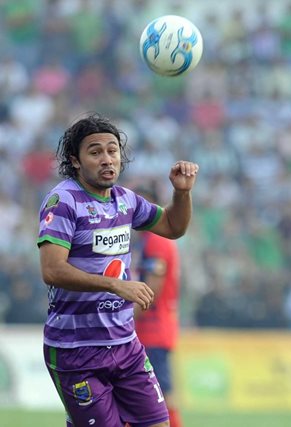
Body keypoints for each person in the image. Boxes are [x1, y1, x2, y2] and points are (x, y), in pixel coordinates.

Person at [37, 113, 199, 427]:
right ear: (75, 161)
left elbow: (173, 226)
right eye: (95, 152)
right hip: (75, 349)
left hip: (126, 344)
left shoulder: (125, 200)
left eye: (112, 151)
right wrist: (115, 285)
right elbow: (52, 270)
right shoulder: (63, 201)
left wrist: (182, 193)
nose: (107, 159)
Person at [132, 182, 183, 427]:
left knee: (160, 391)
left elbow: (151, 292)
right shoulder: (145, 241)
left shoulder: (156, 240)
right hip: (150, 330)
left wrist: (123, 320)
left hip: (154, 330)